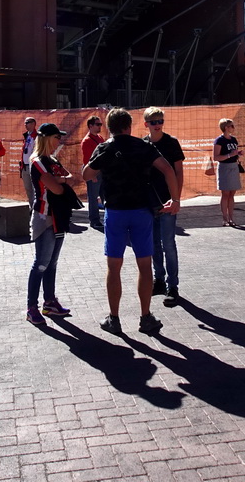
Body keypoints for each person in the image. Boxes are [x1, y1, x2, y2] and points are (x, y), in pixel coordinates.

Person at [83, 108, 180, 336]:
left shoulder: (105, 147)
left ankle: (114, 318)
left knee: (113, 266)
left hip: (115, 212)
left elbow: (87, 174)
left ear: (110, 127)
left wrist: (102, 171)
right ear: (129, 126)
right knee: (144, 266)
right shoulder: (142, 146)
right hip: (141, 211)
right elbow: (168, 169)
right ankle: (145, 317)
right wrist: (174, 199)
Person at [25, 123, 75, 325]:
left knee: (52, 263)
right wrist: (59, 180)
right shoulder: (37, 161)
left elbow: (69, 177)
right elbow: (56, 189)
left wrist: (59, 180)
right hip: (44, 217)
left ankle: (49, 302)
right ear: (46, 138)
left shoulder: (52, 160)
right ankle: (31, 307)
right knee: (41, 263)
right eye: (56, 137)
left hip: (59, 217)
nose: (59, 141)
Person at [143, 107, 185, 306]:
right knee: (153, 244)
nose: (158, 124)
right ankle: (158, 280)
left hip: (168, 201)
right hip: (148, 202)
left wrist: (176, 199)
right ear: (146, 124)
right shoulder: (142, 144)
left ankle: (172, 285)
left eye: (160, 120)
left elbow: (178, 173)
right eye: (153, 122)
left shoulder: (171, 143)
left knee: (168, 244)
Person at [212, 118, 242, 227]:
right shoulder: (219, 140)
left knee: (232, 193)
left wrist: (237, 153)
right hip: (224, 168)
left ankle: (231, 218)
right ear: (226, 127)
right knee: (225, 193)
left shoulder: (234, 140)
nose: (233, 128)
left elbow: (234, 153)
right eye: (231, 126)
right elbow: (216, 157)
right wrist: (230, 155)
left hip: (234, 167)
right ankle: (224, 218)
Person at [80, 115, 106, 231]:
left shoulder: (100, 138)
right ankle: (94, 220)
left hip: (102, 172)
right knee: (93, 197)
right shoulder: (87, 141)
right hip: (94, 172)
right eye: (98, 124)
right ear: (90, 126)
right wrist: (93, 175)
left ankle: (103, 219)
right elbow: (87, 160)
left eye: (100, 124)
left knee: (103, 196)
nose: (100, 126)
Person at [19, 117, 38, 204]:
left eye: (28, 122)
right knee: (28, 188)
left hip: (33, 165)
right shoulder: (26, 135)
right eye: (25, 123)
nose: (25, 124)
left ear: (34, 124)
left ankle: (36, 207)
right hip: (25, 166)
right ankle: (32, 206)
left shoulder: (37, 136)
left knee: (35, 188)